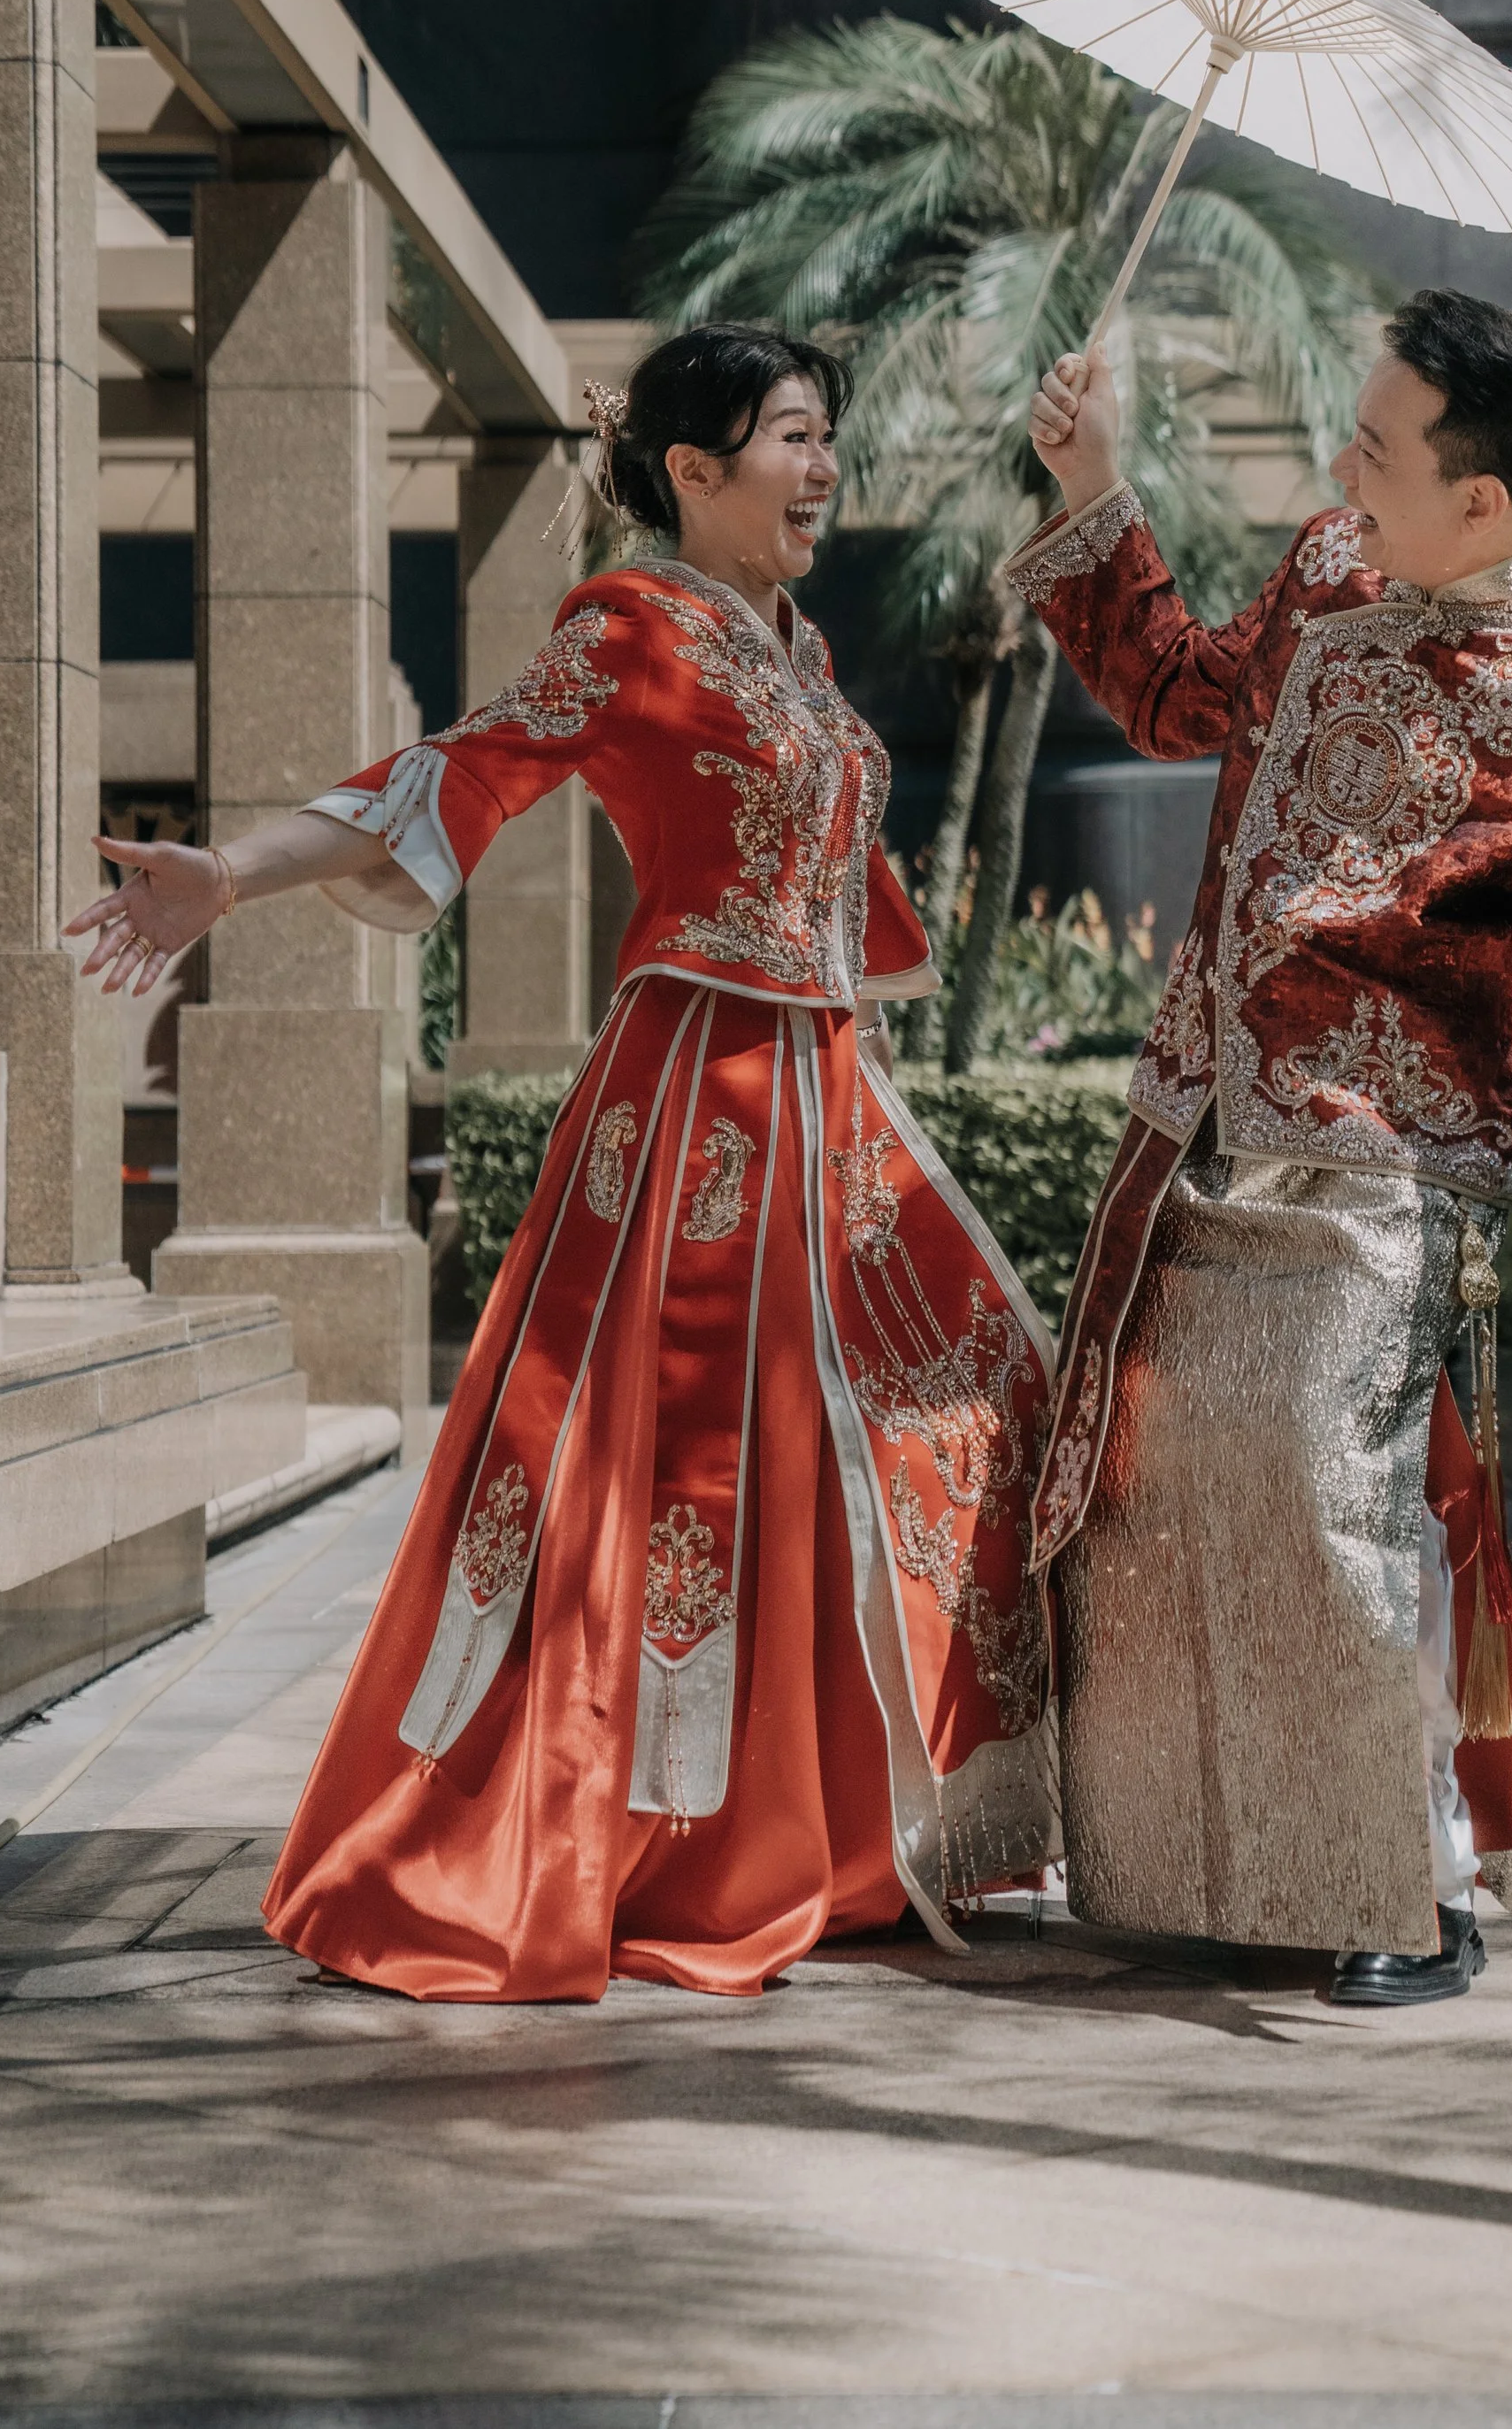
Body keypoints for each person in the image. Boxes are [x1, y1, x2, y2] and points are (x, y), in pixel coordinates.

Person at [66, 324, 1056, 2002]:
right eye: (796, 437)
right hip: (701, 1110)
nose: (826, 469)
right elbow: (464, 768)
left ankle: (838, 1825)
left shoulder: (796, 647)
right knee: (678, 1463)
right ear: (694, 468)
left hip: (823, 1094)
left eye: (829, 437)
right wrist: (232, 872)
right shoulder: (634, 628)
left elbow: (840, 882)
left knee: (962, 1394)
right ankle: (658, 1832)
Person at [1015, 288, 1512, 2008]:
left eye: (1370, 450)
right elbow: (1174, 697)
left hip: (1394, 1154)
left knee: (1327, 1496)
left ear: (1485, 499)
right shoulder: (1323, 570)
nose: (1333, 468)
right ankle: (1203, 1865)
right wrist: (1090, 485)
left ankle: (1412, 1887)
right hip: (1201, 1113)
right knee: (1162, 1505)